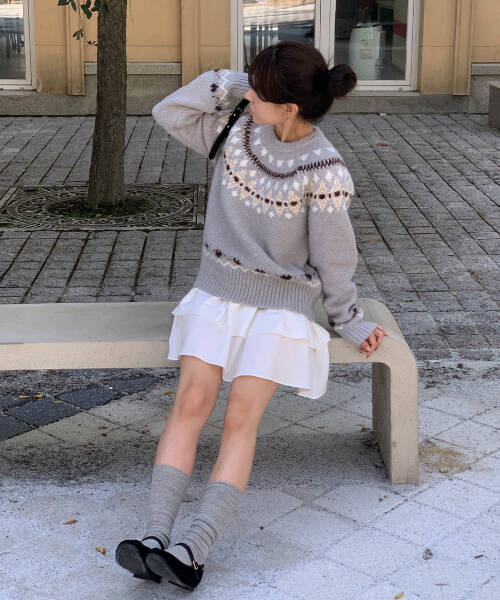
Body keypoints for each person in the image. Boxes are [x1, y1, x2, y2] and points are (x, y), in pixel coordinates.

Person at [115, 40, 388, 591]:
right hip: (217, 294)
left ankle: (193, 551)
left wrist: (348, 317)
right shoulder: (235, 132)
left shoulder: (325, 169)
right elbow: (168, 111)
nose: (249, 96)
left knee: (241, 417)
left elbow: (335, 258)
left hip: (281, 309)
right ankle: (154, 538)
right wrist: (236, 82)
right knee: (191, 403)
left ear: (289, 107)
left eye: (260, 91)